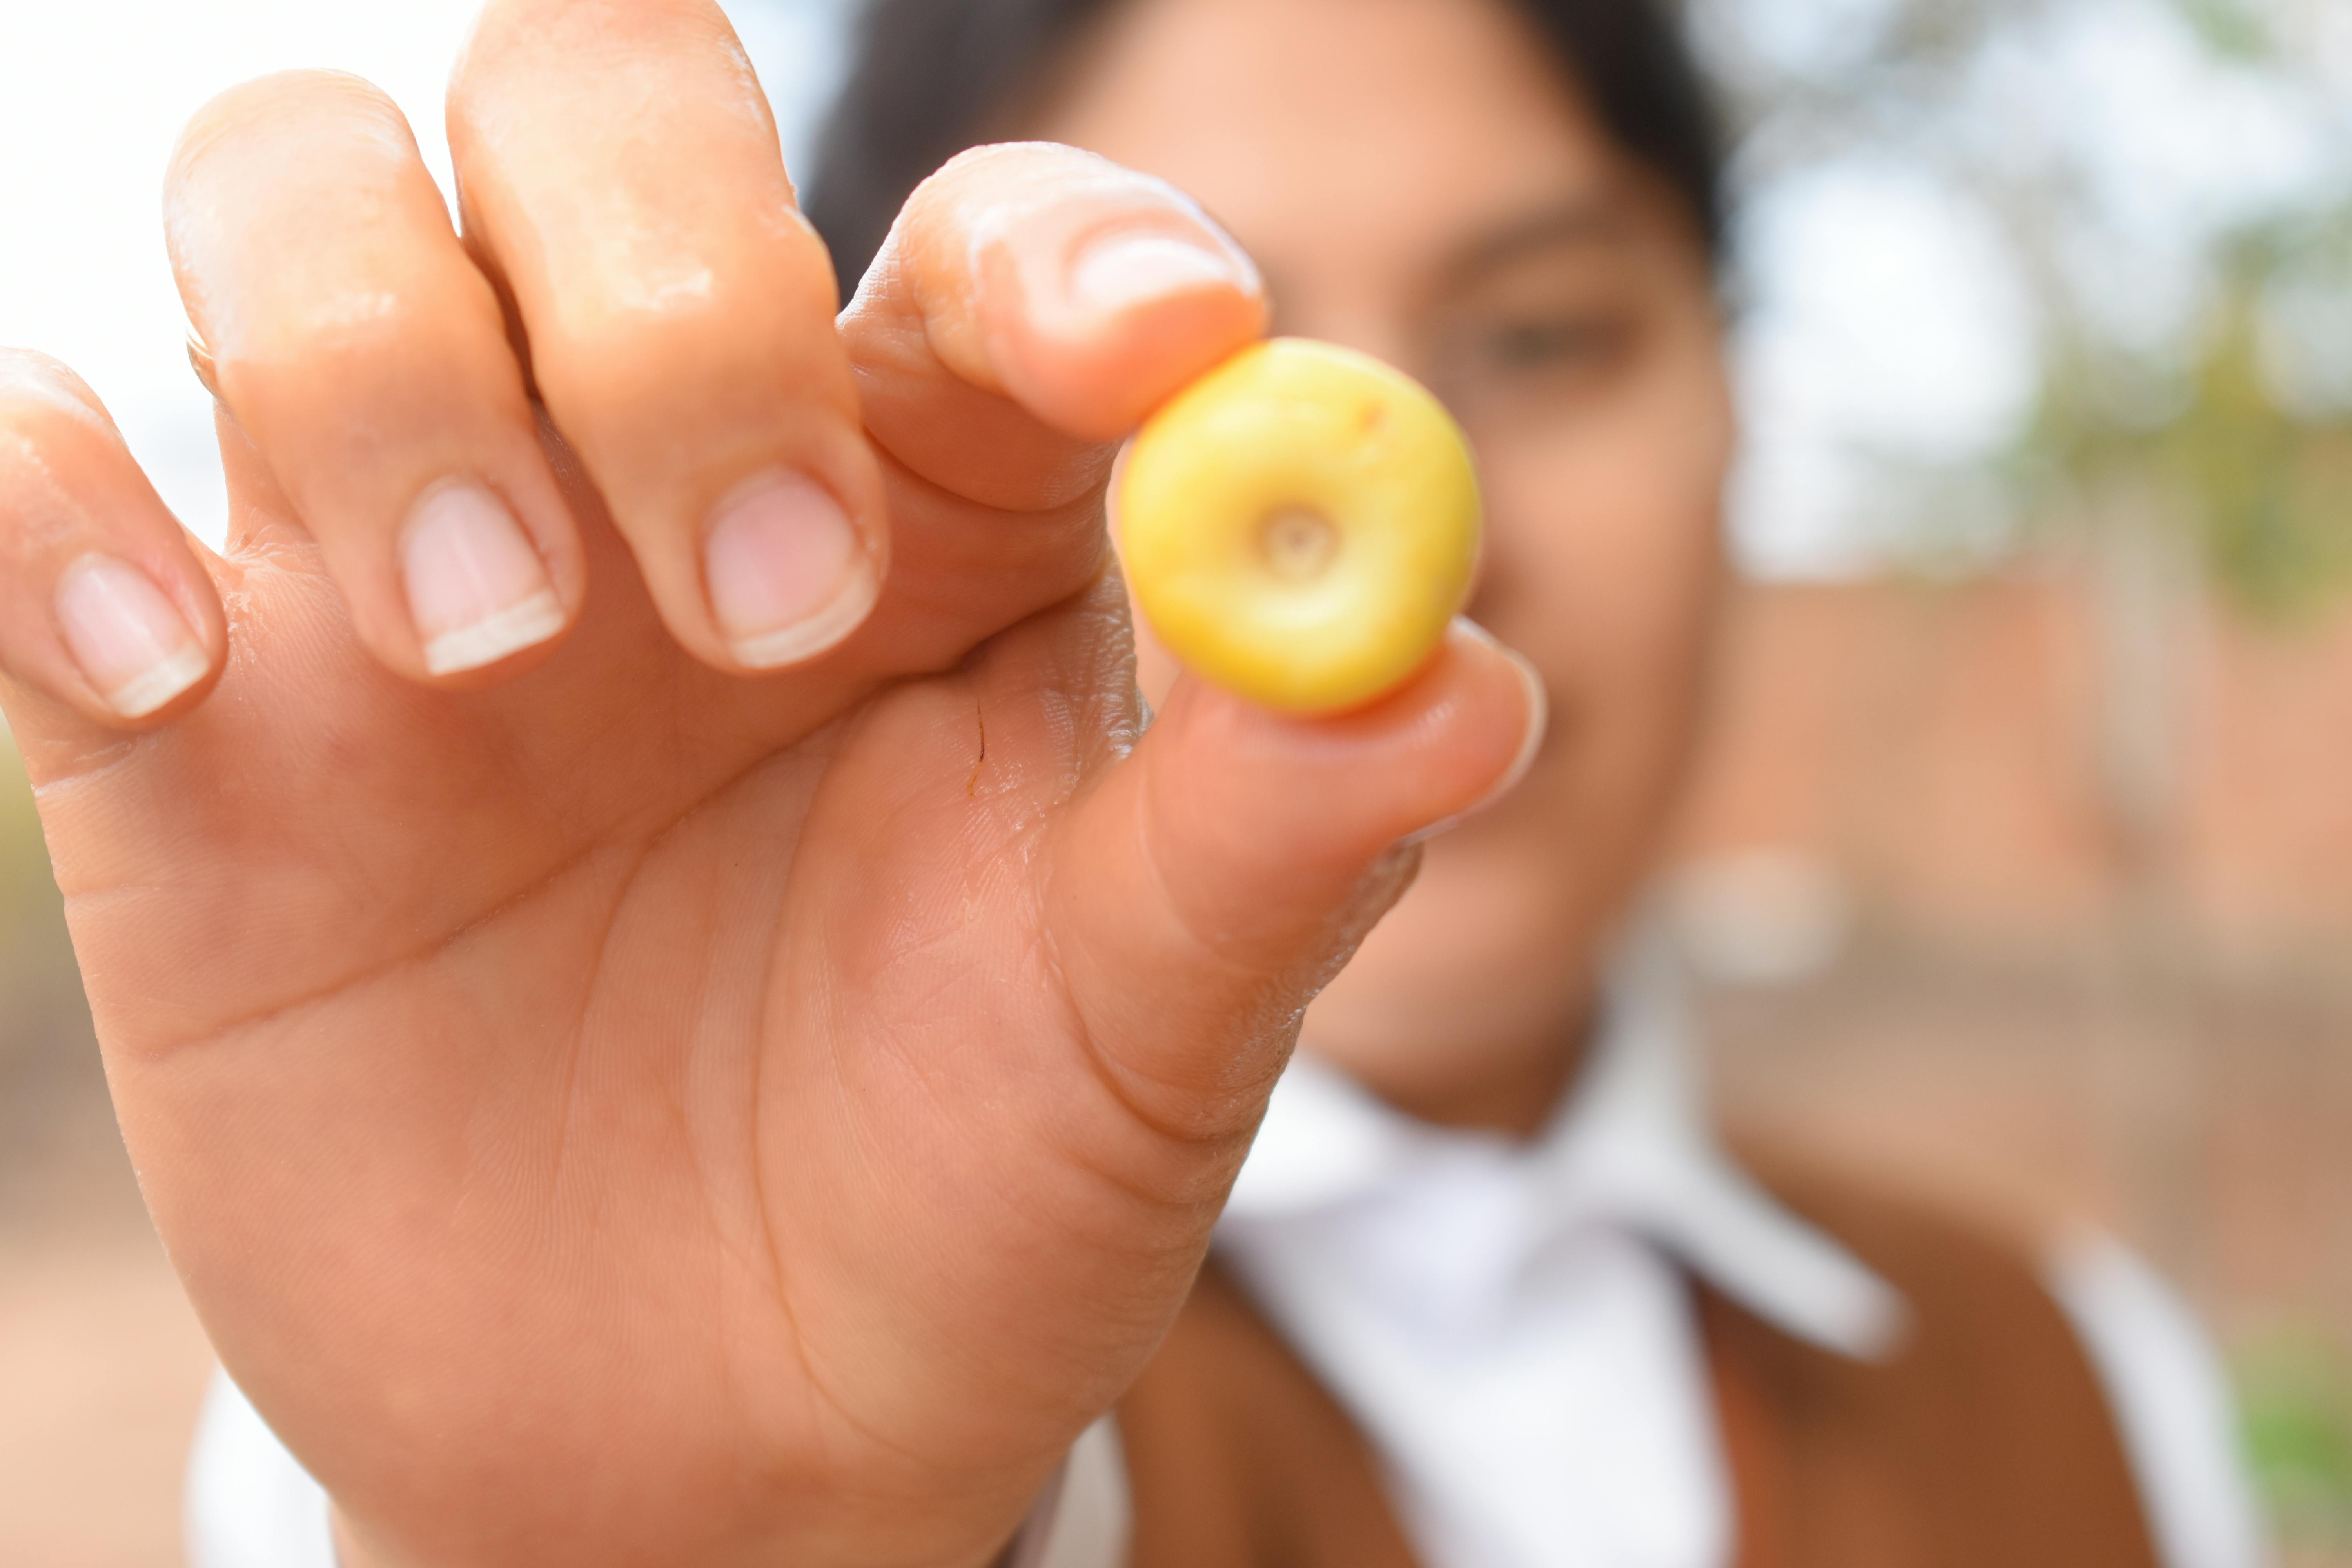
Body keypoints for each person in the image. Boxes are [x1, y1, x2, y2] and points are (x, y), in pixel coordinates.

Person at [0, 0, 2261, 1565]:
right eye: (1198, 356)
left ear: (1741, 407)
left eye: (1552, 334)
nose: (1465, 521)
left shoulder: (2094, 1381)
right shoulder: (482, 1407)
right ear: (918, 466)